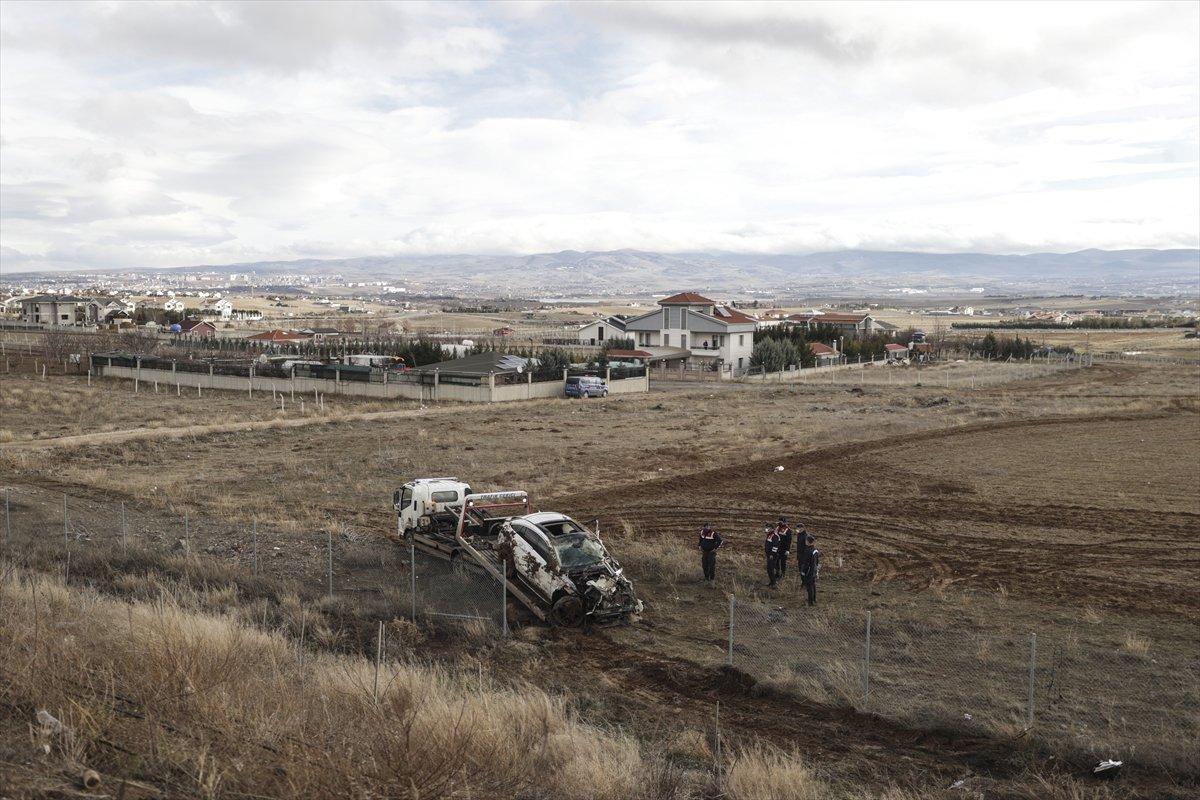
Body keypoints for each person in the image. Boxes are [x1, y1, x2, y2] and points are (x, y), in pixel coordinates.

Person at [799, 534, 820, 605]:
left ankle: (810, 602)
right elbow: (817, 561)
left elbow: (806, 563)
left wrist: (803, 571)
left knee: (809, 587)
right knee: (813, 585)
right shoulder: (815, 550)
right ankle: (814, 599)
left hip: (809, 571)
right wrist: (816, 570)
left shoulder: (808, 551)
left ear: (808, 542)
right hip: (814, 570)